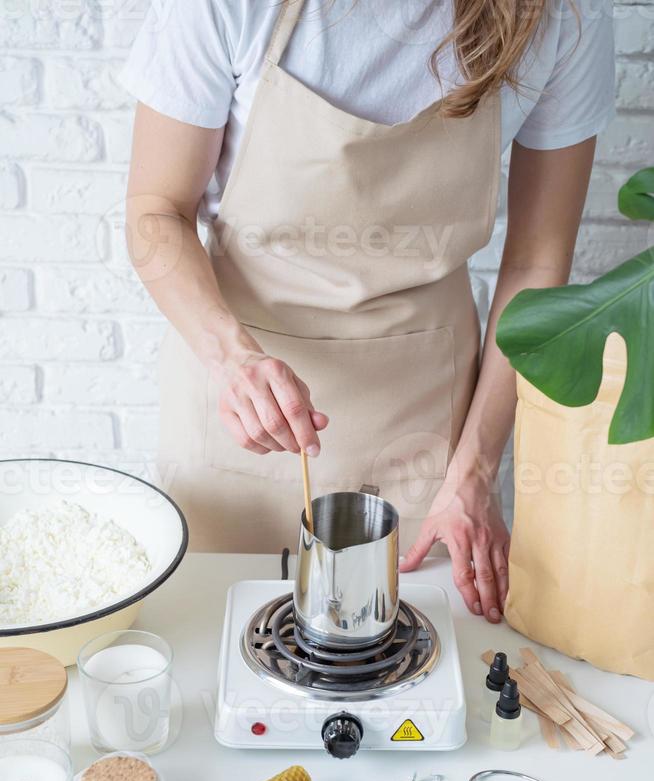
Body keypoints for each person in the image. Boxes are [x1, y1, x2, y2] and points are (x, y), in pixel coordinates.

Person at [121, 0, 614, 623]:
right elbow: (155, 210)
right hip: (236, 400)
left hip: (424, 415)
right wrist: (232, 360)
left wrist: (474, 474)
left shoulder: (563, 17)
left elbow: (536, 264)